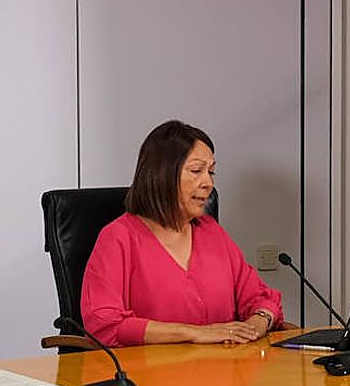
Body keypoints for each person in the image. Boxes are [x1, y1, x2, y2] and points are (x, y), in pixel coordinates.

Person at [81, 120, 283, 347]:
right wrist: (194, 333)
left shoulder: (211, 232)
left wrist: (259, 321)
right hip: (148, 377)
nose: (208, 182)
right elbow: (104, 324)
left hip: (224, 372)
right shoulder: (117, 238)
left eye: (211, 172)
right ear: (162, 174)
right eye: (197, 171)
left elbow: (261, 297)